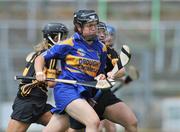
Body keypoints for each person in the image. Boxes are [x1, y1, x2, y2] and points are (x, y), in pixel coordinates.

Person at [34, 9, 108, 132]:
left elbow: (100, 73)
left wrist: (101, 77)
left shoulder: (101, 48)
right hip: (67, 90)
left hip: (84, 93)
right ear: (79, 27)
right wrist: (39, 72)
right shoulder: (69, 43)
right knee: (93, 122)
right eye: (89, 26)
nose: (94, 28)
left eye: (95, 25)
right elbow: (40, 58)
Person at [68, 23, 138, 132]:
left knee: (131, 122)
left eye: (103, 33)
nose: (102, 36)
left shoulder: (109, 51)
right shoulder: (79, 49)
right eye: (99, 32)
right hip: (82, 96)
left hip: (102, 95)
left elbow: (121, 70)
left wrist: (111, 74)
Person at [6, 22, 69, 132]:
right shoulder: (51, 54)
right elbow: (51, 83)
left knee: (67, 125)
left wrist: (58, 74)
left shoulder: (40, 53)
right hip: (28, 102)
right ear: (54, 38)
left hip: (39, 102)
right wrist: (69, 80)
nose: (65, 41)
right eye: (63, 37)